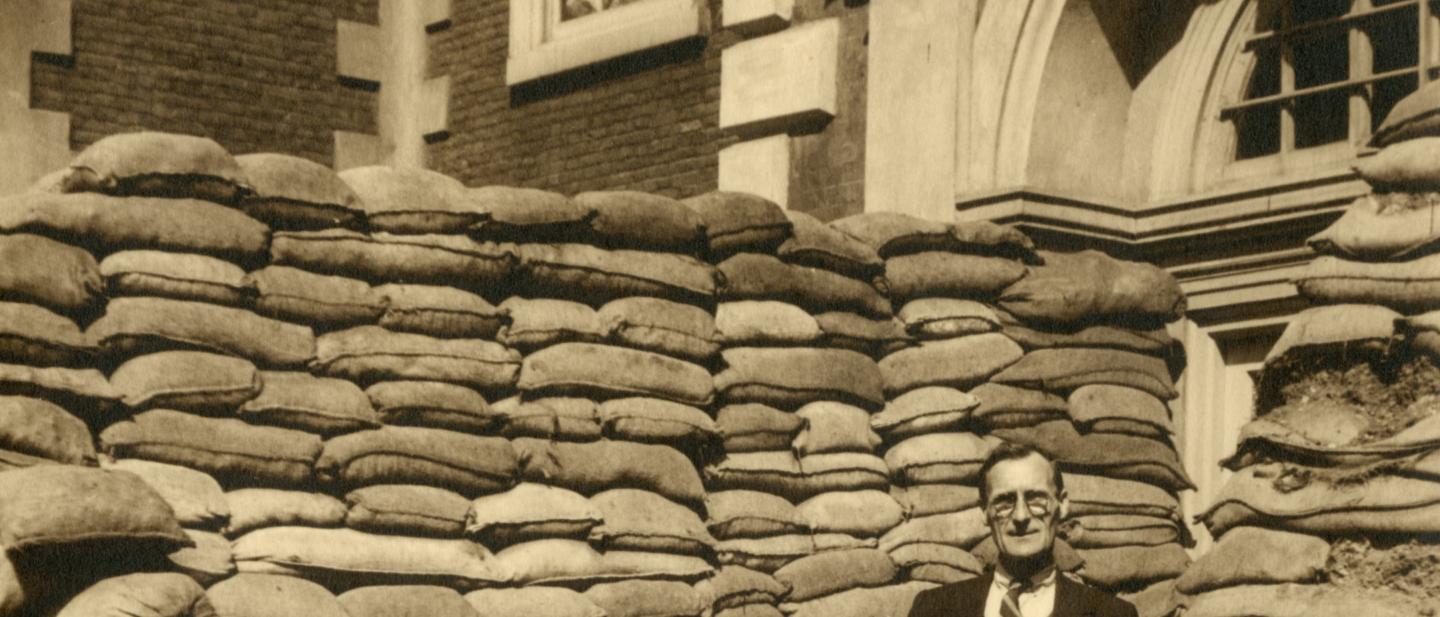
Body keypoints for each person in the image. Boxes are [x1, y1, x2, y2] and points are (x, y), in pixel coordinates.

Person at [906, 443, 1138, 617]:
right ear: (984, 511)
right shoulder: (933, 609)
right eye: (1004, 502)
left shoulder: (1112, 614)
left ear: (1062, 504)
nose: (1020, 516)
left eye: (1036, 498)